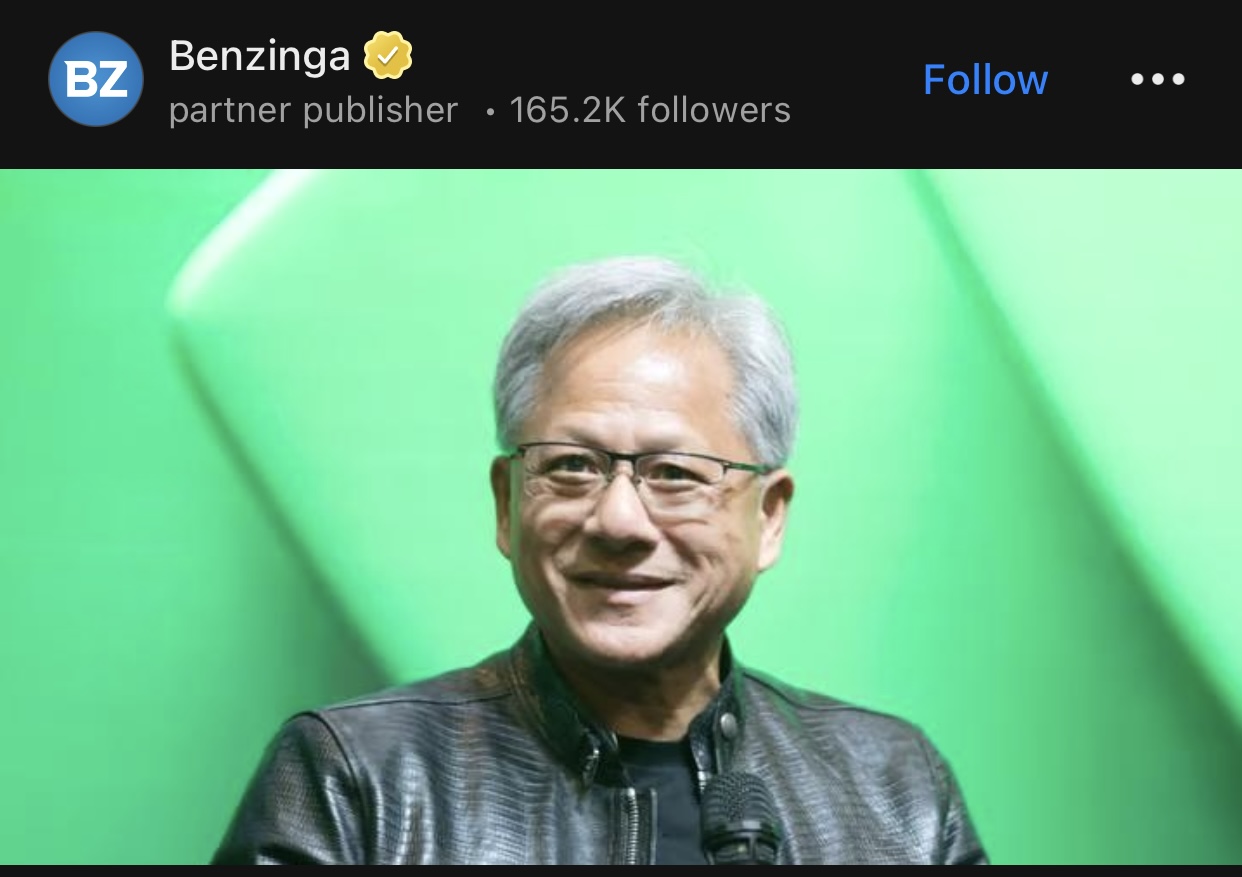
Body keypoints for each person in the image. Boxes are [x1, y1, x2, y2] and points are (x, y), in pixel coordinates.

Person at [211, 255, 989, 865]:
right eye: (572, 466)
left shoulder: (895, 789)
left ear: (769, 516)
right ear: (508, 503)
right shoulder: (354, 779)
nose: (618, 519)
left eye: (674, 473)